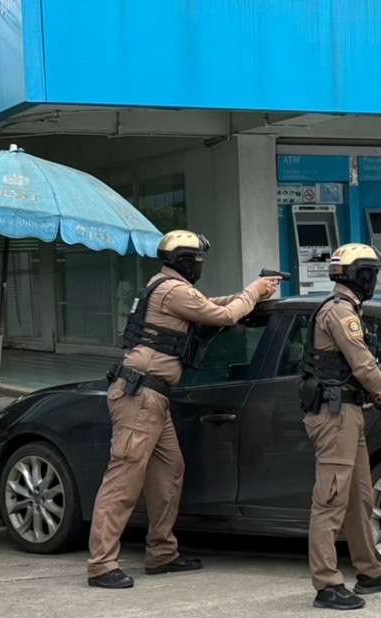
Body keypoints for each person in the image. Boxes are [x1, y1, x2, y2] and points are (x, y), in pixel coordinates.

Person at [87, 230, 281, 589]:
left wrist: (250, 295)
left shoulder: (169, 288)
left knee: (169, 471)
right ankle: (101, 564)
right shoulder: (171, 290)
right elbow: (222, 317)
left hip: (153, 398)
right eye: (198, 259)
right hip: (139, 396)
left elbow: (210, 304)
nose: (201, 265)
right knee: (123, 482)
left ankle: (162, 553)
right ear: (185, 261)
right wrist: (252, 292)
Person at [300, 243, 381, 610]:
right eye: (371, 272)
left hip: (348, 413)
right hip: (334, 415)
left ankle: (370, 571)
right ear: (359, 275)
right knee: (331, 500)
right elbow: (364, 366)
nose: (374, 280)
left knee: (360, 497)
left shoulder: (347, 309)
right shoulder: (340, 313)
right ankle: (326, 583)